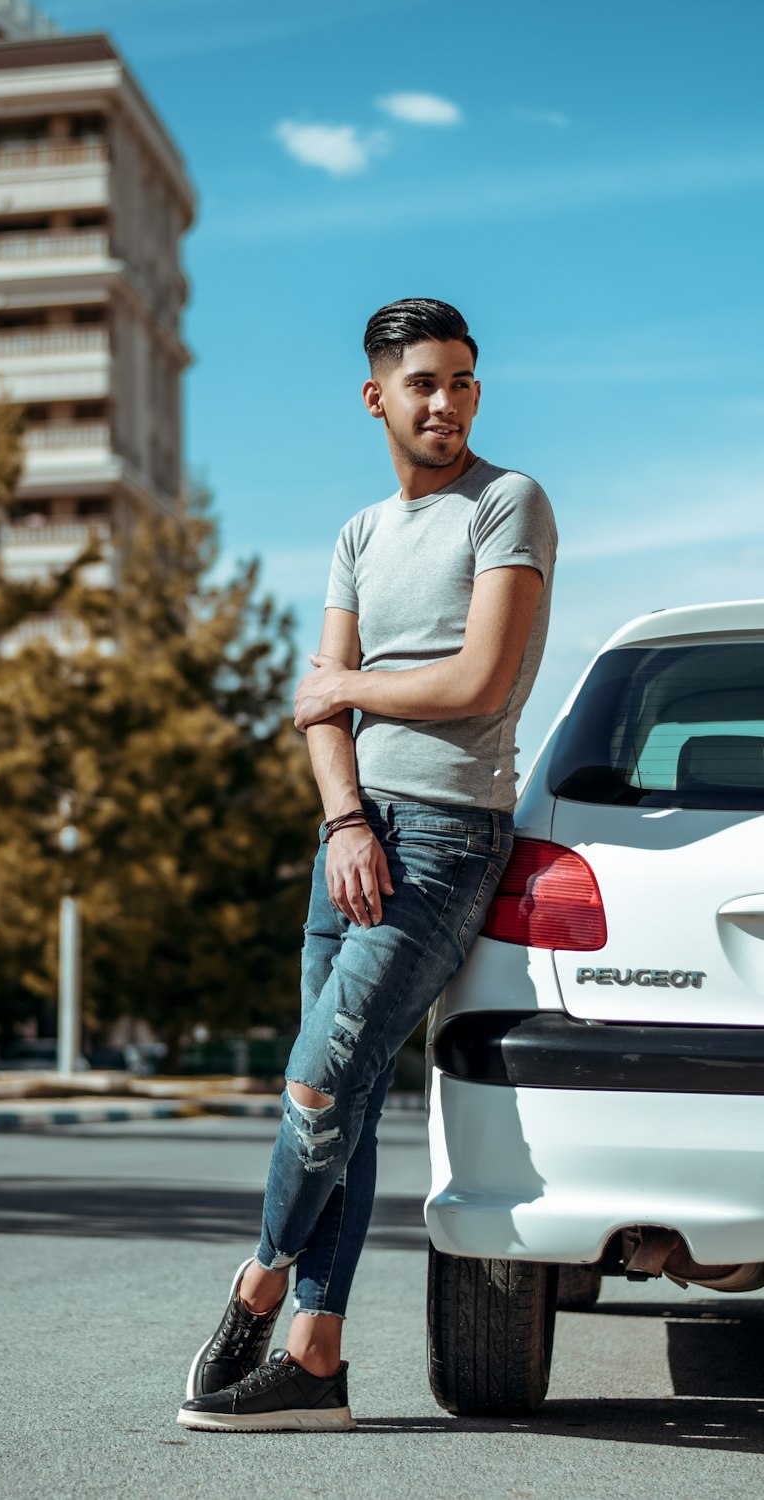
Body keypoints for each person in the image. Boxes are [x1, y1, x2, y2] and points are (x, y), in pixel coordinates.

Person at [177, 297, 557, 1432]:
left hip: (444, 839)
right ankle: (317, 1362)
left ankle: (257, 1283)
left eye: (462, 381)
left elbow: (478, 683)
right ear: (376, 395)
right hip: (351, 840)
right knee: (333, 1100)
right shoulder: (358, 534)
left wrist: (344, 688)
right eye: (423, 383)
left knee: (314, 1083)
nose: (445, 403)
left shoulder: (508, 504)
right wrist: (342, 821)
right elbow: (313, 710)